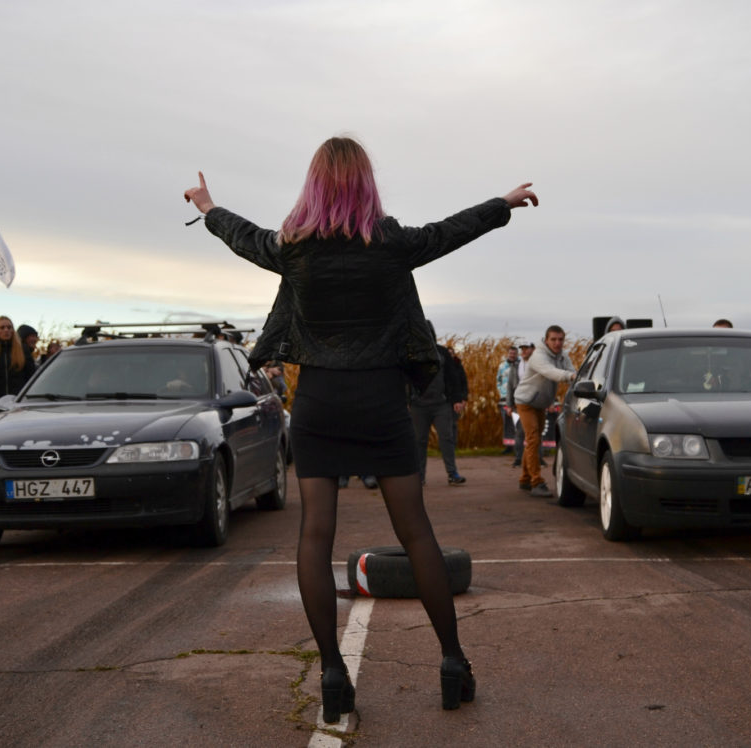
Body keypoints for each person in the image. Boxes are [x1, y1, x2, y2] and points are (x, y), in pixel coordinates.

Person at [184, 135, 538, 718]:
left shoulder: (292, 248)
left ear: (314, 184)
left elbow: (243, 238)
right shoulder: (391, 243)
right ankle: (452, 662)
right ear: (366, 184)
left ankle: (331, 676)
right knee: (417, 534)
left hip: (320, 400)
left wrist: (206, 206)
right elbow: (449, 232)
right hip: (380, 400)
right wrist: (502, 203)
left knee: (315, 536)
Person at [513, 326, 575, 497]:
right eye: (553, 339)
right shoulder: (538, 356)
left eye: (560, 339)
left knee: (535, 439)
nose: (557, 343)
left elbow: (572, 371)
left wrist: (579, 379)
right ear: (546, 340)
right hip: (526, 401)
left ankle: (525, 478)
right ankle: (536, 482)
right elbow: (552, 373)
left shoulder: (563, 356)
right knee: (533, 438)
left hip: (540, 404)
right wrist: (571, 377)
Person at [410, 321, 467, 486]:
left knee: (446, 438)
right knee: (419, 440)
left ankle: (452, 473)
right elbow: (405, 379)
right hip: (418, 405)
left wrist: (456, 399)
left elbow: (452, 377)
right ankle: (419, 476)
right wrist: (406, 399)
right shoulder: (412, 354)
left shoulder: (442, 352)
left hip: (441, 404)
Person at [0, 316, 36, 413]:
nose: (6, 330)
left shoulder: (23, 350)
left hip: (18, 404)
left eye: (9, 327)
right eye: (2, 328)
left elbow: (31, 377)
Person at [495, 346, 518, 454]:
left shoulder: (520, 366)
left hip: (517, 398)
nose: (512, 355)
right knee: (507, 423)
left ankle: (518, 445)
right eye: (510, 353)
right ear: (508, 354)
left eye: (514, 353)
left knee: (517, 422)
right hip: (504, 398)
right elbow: (498, 380)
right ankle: (509, 446)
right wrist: (501, 391)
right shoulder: (502, 366)